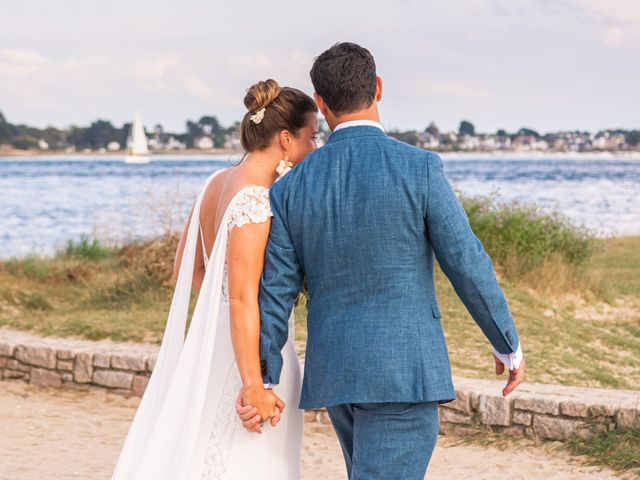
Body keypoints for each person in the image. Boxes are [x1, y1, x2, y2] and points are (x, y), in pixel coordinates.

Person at [238, 42, 525, 479]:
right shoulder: (420, 168)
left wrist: (266, 377)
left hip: (337, 373)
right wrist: (506, 341)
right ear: (377, 88)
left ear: (320, 103)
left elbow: (274, 293)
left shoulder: (291, 188)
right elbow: (466, 261)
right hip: (403, 373)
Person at [111, 79, 318, 479]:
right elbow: (242, 298)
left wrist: (219, 312)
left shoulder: (214, 184)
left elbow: (190, 271)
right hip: (252, 356)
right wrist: (254, 385)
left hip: (215, 346)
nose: (315, 148)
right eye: (312, 137)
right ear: (287, 139)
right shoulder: (256, 201)